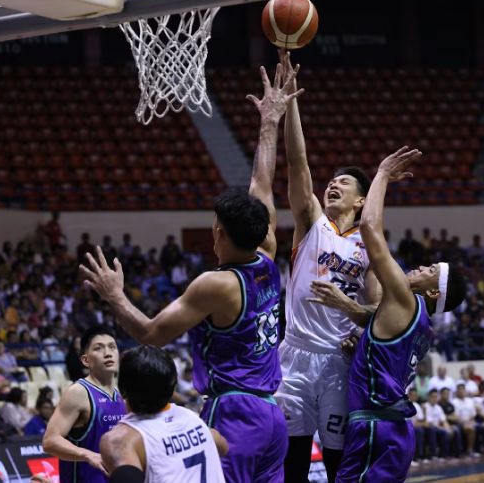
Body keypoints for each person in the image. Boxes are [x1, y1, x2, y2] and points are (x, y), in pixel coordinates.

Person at [82, 62, 301, 483]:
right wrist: (268, 123)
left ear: (218, 232)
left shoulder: (216, 284)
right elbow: (262, 182)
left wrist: (113, 295)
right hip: (273, 414)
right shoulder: (269, 256)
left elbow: (150, 334)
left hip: (235, 410)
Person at [274, 50, 383, 481]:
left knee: (339, 464)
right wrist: (291, 104)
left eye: (345, 183)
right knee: (293, 461)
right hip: (294, 357)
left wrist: (352, 318)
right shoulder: (311, 223)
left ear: (361, 200)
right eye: (331, 181)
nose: (332, 183)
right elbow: (298, 163)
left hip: (338, 363)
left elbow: (376, 313)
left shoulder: (370, 248)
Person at [326, 149, 466, 481]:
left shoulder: (405, 300)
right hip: (392, 428)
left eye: (429, 270)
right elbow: (380, 330)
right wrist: (360, 345)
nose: (419, 267)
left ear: (433, 292)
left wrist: (382, 174)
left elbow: (371, 230)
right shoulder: (420, 324)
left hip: (376, 427)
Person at [100, 345, 228, 483]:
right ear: (172, 387)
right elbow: (223, 446)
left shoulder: (120, 440)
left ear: (122, 389)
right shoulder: (191, 418)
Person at [43, 326, 125, 483]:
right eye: (98, 348)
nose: (108, 353)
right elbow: (49, 441)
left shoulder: (120, 393)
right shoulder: (78, 392)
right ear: (86, 360)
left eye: (112, 347)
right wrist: (88, 455)